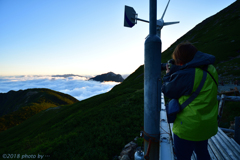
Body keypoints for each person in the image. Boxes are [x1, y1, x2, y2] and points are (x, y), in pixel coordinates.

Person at [162, 42, 218, 160]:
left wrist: (168, 74)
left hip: (188, 126)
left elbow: (167, 90)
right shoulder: (210, 68)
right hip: (206, 123)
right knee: (202, 153)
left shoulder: (190, 75)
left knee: (183, 157)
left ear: (181, 58)